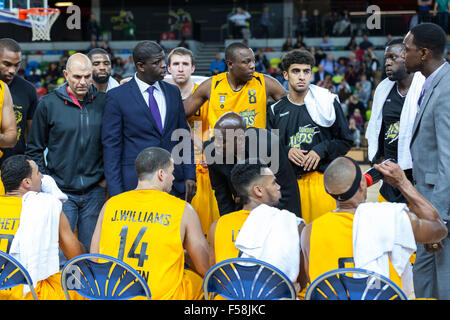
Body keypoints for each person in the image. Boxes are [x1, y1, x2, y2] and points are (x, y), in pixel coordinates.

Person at [300, 157, 448, 289]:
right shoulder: (391, 218)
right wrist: (403, 183)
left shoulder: (309, 232)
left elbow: (310, 282)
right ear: (363, 184)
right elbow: (439, 228)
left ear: (328, 191)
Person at [90, 147, 209, 300]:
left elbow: (94, 259)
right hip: (157, 296)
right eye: (171, 172)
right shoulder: (183, 210)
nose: (173, 178)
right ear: (161, 174)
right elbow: (205, 267)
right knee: (203, 284)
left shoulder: (110, 204)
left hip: (111, 294)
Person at [26, 53, 106, 264]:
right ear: (65, 75)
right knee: (62, 255)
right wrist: (48, 182)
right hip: (61, 192)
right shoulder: (48, 104)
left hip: (94, 191)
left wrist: (104, 178)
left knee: (92, 254)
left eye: (87, 76)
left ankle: (88, 296)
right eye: (77, 76)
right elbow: (34, 148)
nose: (83, 82)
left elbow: (112, 143)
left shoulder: (104, 102)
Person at [102, 41, 196, 202]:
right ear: (141, 66)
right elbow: (112, 148)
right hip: (134, 185)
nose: (163, 66)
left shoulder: (173, 92)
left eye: (163, 60)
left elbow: (183, 137)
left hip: (174, 183)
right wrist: (116, 192)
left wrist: (190, 174)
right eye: (156, 62)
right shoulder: (117, 97)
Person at [268, 49, 353, 225]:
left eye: (306, 71)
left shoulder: (327, 102)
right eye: (295, 71)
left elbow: (346, 141)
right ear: (285, 74)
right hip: (288, 185)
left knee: (320, 241)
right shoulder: (275, 110)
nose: (301, 76)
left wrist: (321, 150)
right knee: (292, 243)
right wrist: (286, 151)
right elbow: (268, 150)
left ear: (311, 74)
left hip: (321, 182)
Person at [403, 22, 450, 299]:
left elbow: (448, 157)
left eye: (407, 50)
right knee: (424, 280)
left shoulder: (446, 90)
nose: (403, 54)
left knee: (443, 284)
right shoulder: (433, 83)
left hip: (439, 209)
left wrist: (440, 219)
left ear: (423, 53)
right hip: (425, 203)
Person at [208, 161, 306, 292]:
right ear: (258, 190)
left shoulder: (217, 226)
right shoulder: (292, 224)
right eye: (273, 183)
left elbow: (215, 277)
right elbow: (301, 280)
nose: (278, 186)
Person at [0, 155, 86, 300]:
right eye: (38, 172)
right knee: (79, 280)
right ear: (27, 182)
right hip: (27, 292)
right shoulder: (45, 207)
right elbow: (76, 256)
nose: (42, 177)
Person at [166, 47, 220, 237]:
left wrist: (210, 150)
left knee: (203, 227)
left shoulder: (204, 93)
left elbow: (215, 126)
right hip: (172, 163)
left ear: (193, 68)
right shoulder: (161, 93)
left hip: (201, 164)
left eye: (185, 64)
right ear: (168, 69)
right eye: (176, 64)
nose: (180, 69)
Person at [204, 112, 301, 217]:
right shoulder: (211, 152)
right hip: (242, 209)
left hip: (273, 208)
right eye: (215, 138)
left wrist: (284, 221)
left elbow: (286, 189)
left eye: (222, 141)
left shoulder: (267, 145)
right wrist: (231, 223)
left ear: (240, 140)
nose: (216, 144)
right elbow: (222, 195)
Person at [366, 38, 425, 204]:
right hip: (390, 178)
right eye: (386, 58)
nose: (387, 63)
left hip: (417, 178)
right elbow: (377, 129)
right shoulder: (383, 89)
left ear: (407, 57)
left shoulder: (425, 87)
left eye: (393, 57)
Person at [183, 42, 286, 130]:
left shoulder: (265, 82)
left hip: (255, 150)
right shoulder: (211, 85)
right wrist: (193, 137)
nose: (252, 66)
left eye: (253, 61)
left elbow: (294, 106)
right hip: (221, 150)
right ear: (230, 64)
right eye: (246, 62)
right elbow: (180, 113)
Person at [0, 39, 36, 167]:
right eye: (7, 64)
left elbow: (32, 137)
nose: (12, 70)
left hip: (16, 165)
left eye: (16, 65)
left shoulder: (28, 90)